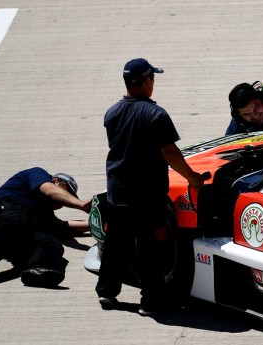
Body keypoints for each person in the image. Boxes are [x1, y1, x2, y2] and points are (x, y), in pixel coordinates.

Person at [97, 58, 204, 316]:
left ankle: (107, 292)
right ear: (147, 81)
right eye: (152, 79)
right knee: (151, 247)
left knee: (116, 242)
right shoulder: (156, 115)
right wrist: (192, 178)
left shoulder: (111, 113)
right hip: (146, 196)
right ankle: (151, 302)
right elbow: (170, 151)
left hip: (117, 192)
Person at [0, 168, 91, 288]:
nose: (63, 201)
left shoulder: (44, 212)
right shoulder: (37, 174)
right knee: (18, 221)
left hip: (13, 232)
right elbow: (50, 190)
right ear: (55, 181)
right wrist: (81, 204)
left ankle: (38, 273)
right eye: (67, 192)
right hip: (4, 209)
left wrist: (96, 224)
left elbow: (60, 227)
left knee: (51, 244)